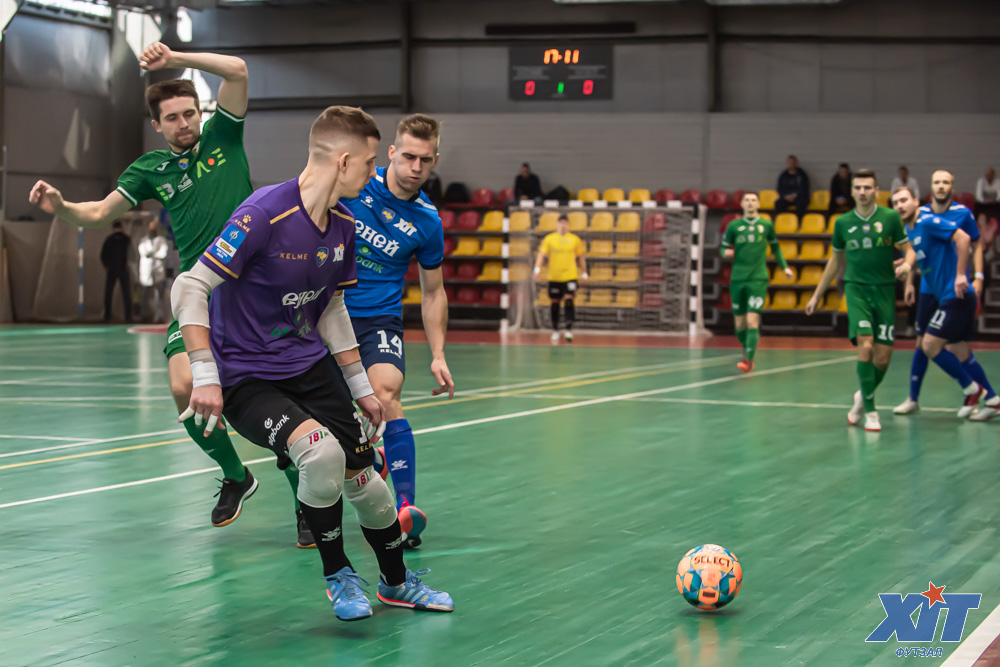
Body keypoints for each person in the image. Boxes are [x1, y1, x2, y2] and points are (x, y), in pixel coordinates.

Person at [170, 105, 453, 621]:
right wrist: (205, 375)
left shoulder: (343, 223)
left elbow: (333, 308)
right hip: (248, 377)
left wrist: (360, 387)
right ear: (343, 161)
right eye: (369, 162)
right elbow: (189, 287)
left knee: (369, 485)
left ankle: (396, 584)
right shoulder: (263, 214)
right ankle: (338, 575)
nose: (373, 173)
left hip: (309, 366)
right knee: (320, 455)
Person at [27, 43, 308, 544]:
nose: (183, 123)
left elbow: (238, 70)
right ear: (157, 124)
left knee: (278, 399)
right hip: (198, 291)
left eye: (189, 113)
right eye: (172, 118)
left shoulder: (224, 135)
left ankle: (305, 504)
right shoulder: (150, 169)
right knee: (183, 387)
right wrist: (62, 205)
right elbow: (98, 213)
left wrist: (176, 55)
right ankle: (236, 476)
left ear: (200, 113)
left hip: (254, 291)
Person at [342, 114, 455, 549]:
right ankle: (373, 458)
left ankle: (406, 509)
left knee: (386, 393)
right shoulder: (354, 184)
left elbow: (434, 292)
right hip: (327, 312)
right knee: (329, 422)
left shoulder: (427, 220)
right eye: (408, 156)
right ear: (391, 152)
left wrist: (438, 354)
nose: (415, 166)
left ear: (435, 161)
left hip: (379, 319)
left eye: (425, 160)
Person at [805, 169, 912, 432]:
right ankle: (872, 413)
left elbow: (909, 250)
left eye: (867, 187)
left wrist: (907, 265)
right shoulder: (843, 223)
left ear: (876, 190)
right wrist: (817, 294)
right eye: (858, 188)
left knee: (883, 358)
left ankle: (861, 398)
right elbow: (835, 261)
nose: (862, 192)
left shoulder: (890, 217)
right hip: (856, 290)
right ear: (852, 191)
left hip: (884, 291)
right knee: (865, 346)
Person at [892, 186, 998, 421]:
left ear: (916, 202)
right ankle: (993, 400)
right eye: (896, 202)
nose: (900, 206)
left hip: (956, 295)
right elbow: (918, 255)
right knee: (960, 351)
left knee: (929, 345)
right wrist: (906, 271)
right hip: (946, 296)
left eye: (904, 200)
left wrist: (962, 275)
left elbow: (964, 238)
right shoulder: (910, 229)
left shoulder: (929, 221)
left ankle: (972, 389)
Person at [721, 192, 793, 373]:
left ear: (759, 204)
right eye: (747, 200)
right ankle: (747, 347)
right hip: (738, 278)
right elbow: (723, 248)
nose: (750, 203)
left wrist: (785, 267)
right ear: (742, 204)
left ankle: (748, 360)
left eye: (753, 200)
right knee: (739, 324)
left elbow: (775, 248)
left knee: (752, 320)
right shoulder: (734, 226)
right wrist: (726, 253)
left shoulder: (766, 225)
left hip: (758, 279)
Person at [533, 214, 588, 343]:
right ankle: (555, 330)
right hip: (554, 276)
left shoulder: (574, 239)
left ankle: (568, 328)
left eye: (565, 223)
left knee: (569, 299)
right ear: (557, 224)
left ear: (568, 225)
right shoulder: (550, 239)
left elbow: (580, 257)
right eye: (561, 223)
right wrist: (537, 269)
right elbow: (541, 254)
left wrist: (584, 273)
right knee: (555, 302)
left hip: (570, 276)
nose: (563, 225)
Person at [100, 221, 134, 323]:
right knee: (109, 293)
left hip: (123, 269)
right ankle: (107, 316)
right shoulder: (110, 240)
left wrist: (128, 265)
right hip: (113, 270)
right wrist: (108, 266)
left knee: (126, 294)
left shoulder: (125, 239)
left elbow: (131, 253)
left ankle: (128, 317)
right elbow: (103, 255)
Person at [138, 219, 169, 323]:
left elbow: (163, 253)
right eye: (151, 227)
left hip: (158, 271)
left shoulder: (161, 240)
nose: (152, 229)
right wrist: (154, 254)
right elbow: (144, 253)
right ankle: (144, 316)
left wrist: (152, 254)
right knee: (144, 295)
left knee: (158, 296)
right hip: (147, 271)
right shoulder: (143, 241)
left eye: (154, 227)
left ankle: (158, 317)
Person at [974, 167, 1000, 254]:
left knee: (993, 223)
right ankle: (983, 247)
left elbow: (999, 197)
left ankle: (990, 248)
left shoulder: (998, 182)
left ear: (993, 175)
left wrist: (990, 201)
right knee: (981, 222)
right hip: (983, 208)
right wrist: (989, 201)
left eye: (990, 175)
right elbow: (979, 198)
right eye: (987, 175)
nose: (988, 177)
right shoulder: (981, 182)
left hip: (995, 208)